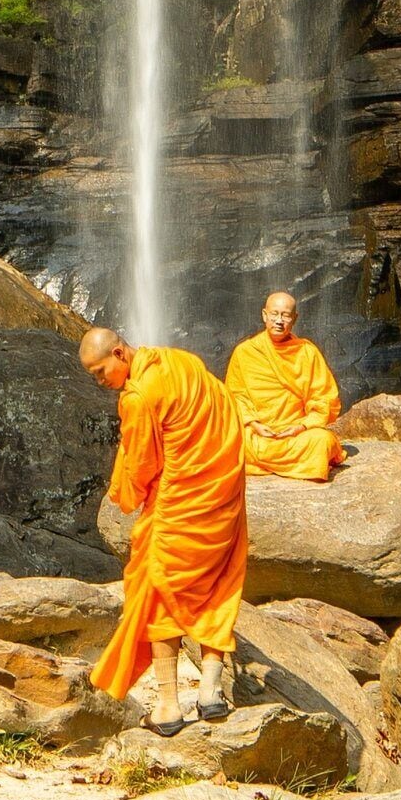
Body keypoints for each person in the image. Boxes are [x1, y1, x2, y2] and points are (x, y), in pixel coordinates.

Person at [83, 323, 249, 733]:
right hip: (223, 495)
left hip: (181, 506)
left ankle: (169, 706)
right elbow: (226, 409)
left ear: (119, 354)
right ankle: (211, 691)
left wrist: (122, 491)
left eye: (100, 372)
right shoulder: (182, 361)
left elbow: (140, 470)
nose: (101, 383)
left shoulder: (138, 397)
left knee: (157, 592)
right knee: (217, 584)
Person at [225, 290, 344, 482]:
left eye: (286, 315)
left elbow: (324, 399)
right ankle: (281, 461)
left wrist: (300, 427)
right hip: (258, 433)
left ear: (294, 319)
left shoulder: (306, 352)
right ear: (264, 315)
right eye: (274, 314)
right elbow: (235, 397)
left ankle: (263, 461)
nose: (279, 320)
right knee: (228, 440)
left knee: (322, 441)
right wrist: (255, 425)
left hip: (295, 435)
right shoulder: (245, 352)